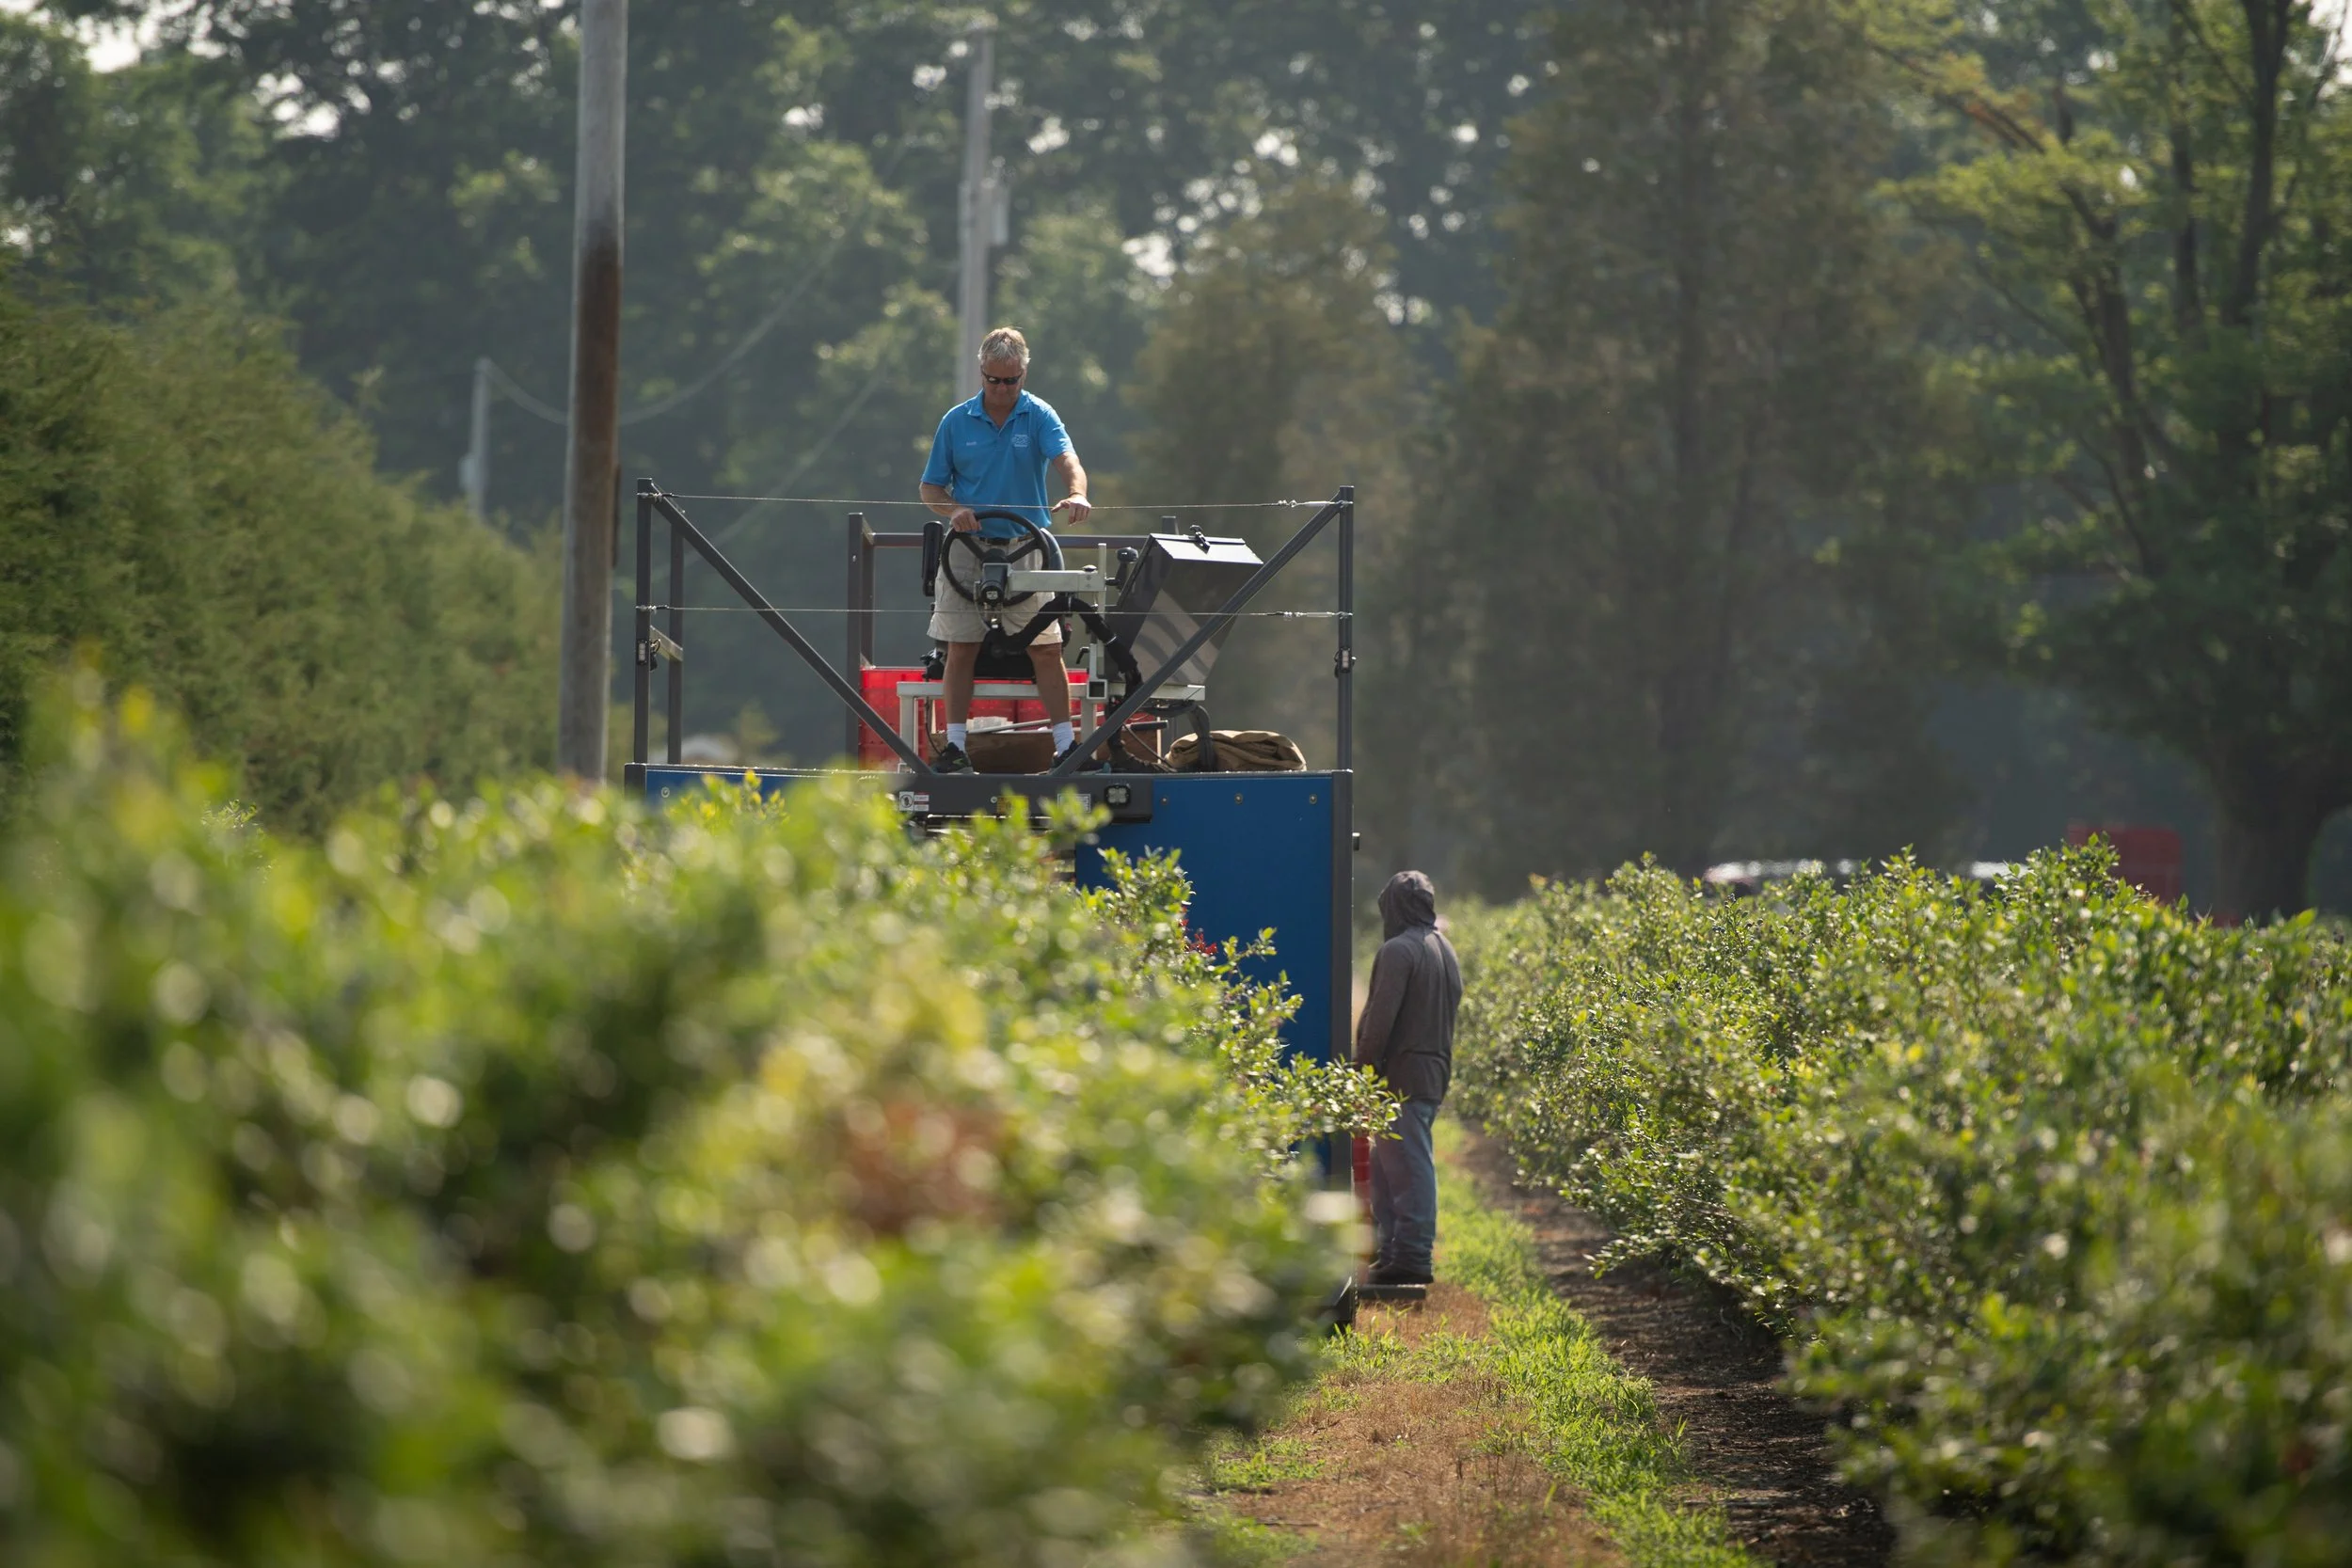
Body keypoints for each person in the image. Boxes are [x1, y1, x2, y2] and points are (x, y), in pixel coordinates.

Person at [917, 325, 1093, 773]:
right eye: (993, 380)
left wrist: (1075, 492)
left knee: (1045, 645)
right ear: (981, 373)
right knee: (960, 646)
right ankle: (955, 749)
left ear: (1024, 374)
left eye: (1011, 381)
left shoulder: (1039, 416)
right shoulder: (956, 421)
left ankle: (1066, 747)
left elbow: (1067, 459)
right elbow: (930, 488)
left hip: (1024, 546)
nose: (1001, 389)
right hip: (967, 548)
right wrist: (953, 509)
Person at [1353, 870, 1464, 1287]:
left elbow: (1379, 1020)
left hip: (1402, 1077)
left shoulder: (1399, 951)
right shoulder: (1444, 949)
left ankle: (1413, 1257)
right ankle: (1396, 1253)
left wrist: (1360, 1066)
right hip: (1431, 1074)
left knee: (1410, 1168)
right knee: (1387, 1165)